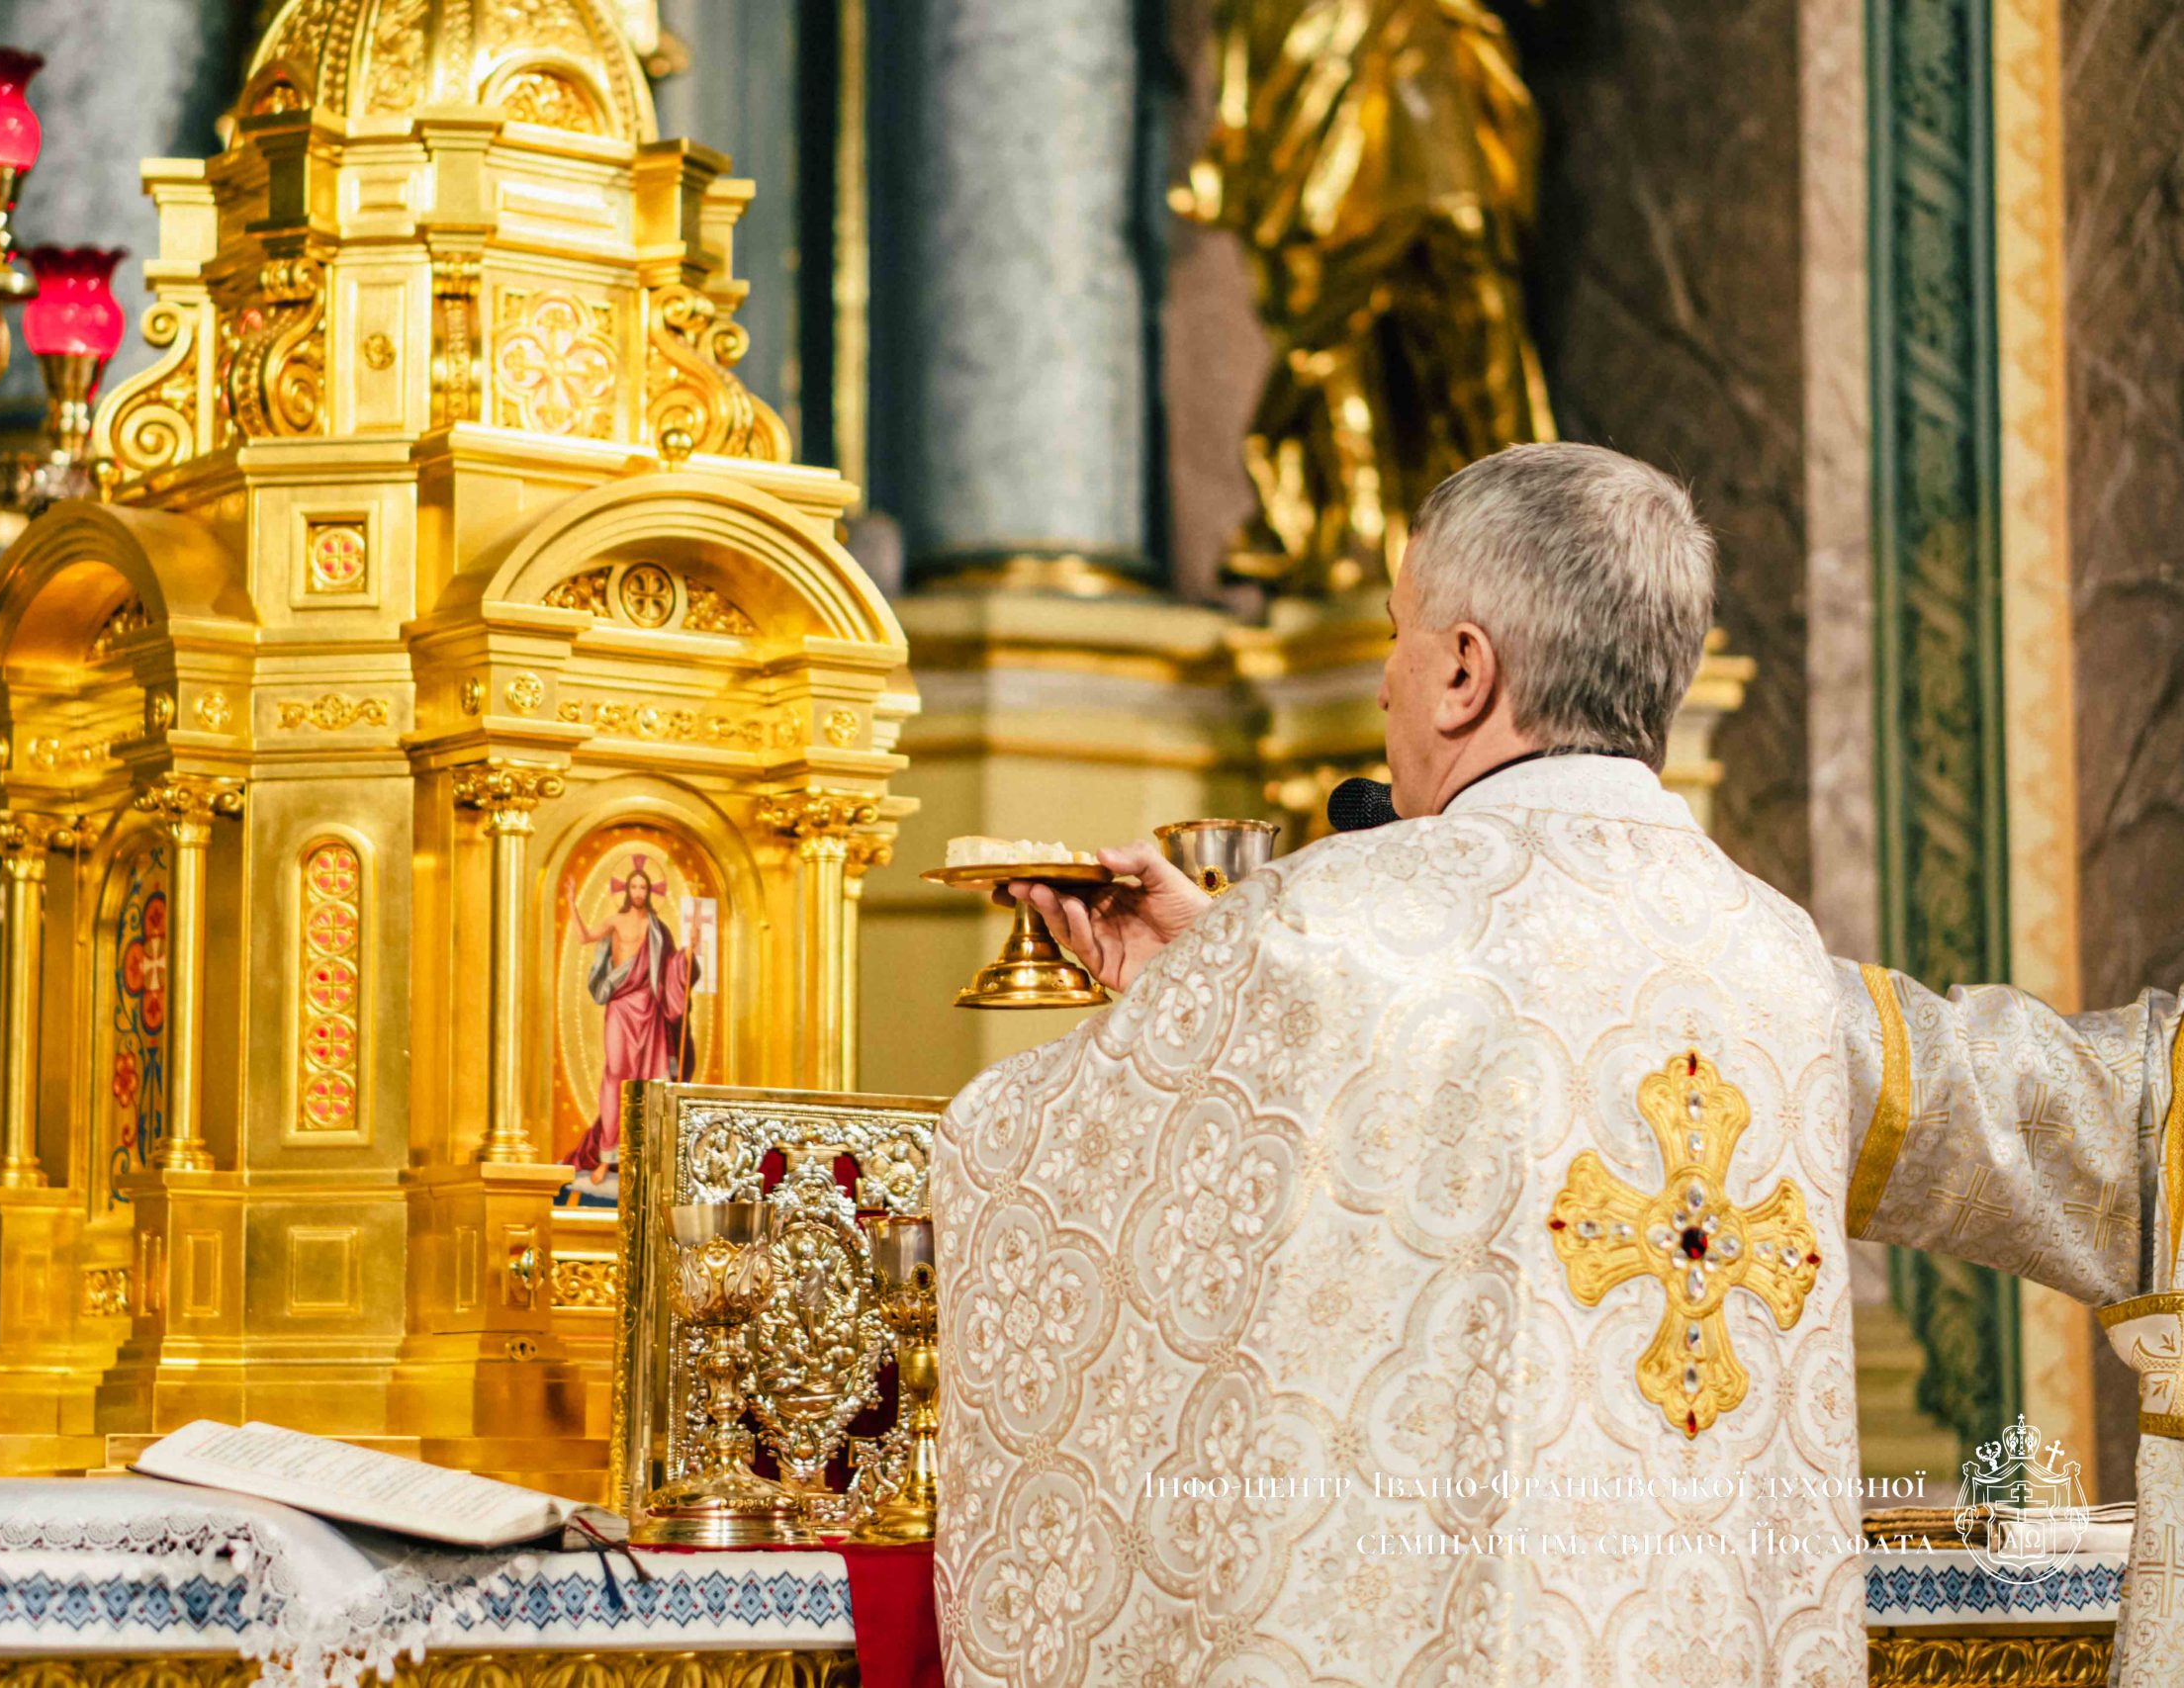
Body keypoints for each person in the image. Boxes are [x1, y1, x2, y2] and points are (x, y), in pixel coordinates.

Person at [931, 441, 2181, 1685]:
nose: (1381, 682)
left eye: (1395, 635)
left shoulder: (1322, 927)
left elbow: (1022, 1172)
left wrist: (1208, 1004)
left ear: (1464, 672)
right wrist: (1230, 981)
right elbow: (2032, 1114)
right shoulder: (1769, 963)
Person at [563, 856, 698, 1203]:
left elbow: (669, 967)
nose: (638, 892)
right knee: (616, 1075)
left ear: (650, 892)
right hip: (622, 1007)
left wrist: (686, 954)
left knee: (651, 1078)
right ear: (627, 890)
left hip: (650, 1007)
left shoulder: (657, 928)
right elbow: (584, 937)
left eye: (644, 887)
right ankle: (608, 1158)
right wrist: (571, 902)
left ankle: (650, 1153)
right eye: (634, 886)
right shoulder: (616, 920)